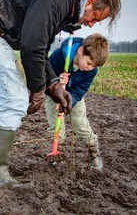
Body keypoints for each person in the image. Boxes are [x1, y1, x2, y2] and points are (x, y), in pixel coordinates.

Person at [0, 0, 121, 188]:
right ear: (90, 1)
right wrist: (38, 90)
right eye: (95, 18)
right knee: (13, 100)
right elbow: (32, 46)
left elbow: (40, 49)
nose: (90, 24)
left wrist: (53, 85)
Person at [45, 33, 107, 171]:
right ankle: (56, 154)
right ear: (80, 51)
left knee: (81, 125)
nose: (90, 68)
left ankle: (94, 153)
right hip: (52, 96)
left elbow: (80, 90)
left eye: (94, 66)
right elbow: (44, 77)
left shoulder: (91, 71)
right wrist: (55, 81)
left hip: (74, 97)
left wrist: (69, 101)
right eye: (89, 63)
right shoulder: (58, 56)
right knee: (56, 128)